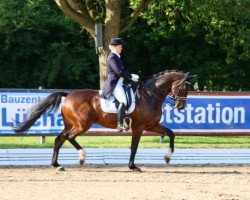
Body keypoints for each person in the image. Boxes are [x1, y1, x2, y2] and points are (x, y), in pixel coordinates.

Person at [101, 38, 139, 132]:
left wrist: (131, 76)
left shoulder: (116, 57)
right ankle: (119, 124)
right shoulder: (112, 57)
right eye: (120, 46)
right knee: (123, 101)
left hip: (119, 83)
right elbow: (119, 72)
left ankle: (125, 119)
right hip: (114, 84)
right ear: (115, 47)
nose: (122, 47)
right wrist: (131, 76)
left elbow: (122, 71)